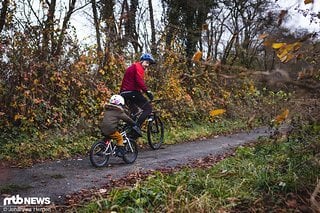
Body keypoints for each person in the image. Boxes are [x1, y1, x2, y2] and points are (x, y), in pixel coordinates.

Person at [120, 53, 155, 127]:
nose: (147, 65)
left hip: (124, 93)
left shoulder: (133, 67)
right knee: (148, 109)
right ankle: (136, 128)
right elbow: (139, 81)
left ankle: (129, 132)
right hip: (132, 92)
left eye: (149, 64)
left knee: (134, 112)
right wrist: (147, 92)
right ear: (142, 61)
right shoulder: (138, 67)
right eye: (147, 62)